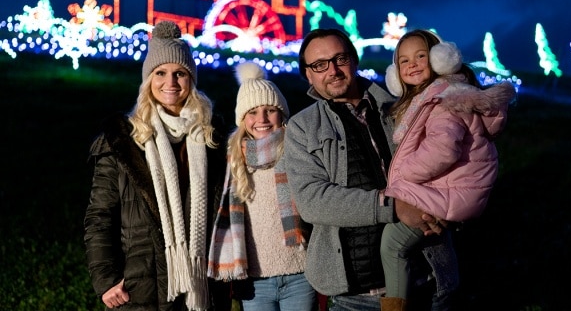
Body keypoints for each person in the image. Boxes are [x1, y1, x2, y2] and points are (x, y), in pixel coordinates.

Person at [283, 28, 452, 311]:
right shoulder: (302, 128)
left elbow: (447, 159)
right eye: (319, 65)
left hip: (428, 283)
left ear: (355, 59)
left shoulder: (402, 108)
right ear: (308, 75)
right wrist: (393, 207)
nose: (333, 70)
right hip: (357, 297)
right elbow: (313, 201)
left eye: (340, 58)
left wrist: (450, 207)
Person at [83, 20, 231, 311]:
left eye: (180, 73)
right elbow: (99, 216)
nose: (171, 83)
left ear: (192, 79)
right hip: (141, 289)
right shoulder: (123, 142)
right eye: (160, 73)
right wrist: (106, 279)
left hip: (203, 289)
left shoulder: (213, 138)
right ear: (148, 79)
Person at [380, 29, 517, 310]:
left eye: (420, 56)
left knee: (392, 243)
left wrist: (401, 179)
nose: (412, 64)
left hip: (452, 190)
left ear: (439, 59)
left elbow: (443, 150)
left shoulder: (445, 101)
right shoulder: (430, 98)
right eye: (403, 61)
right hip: (450, 188)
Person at [207, 61, 317, 311]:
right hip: (256, 282)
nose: (262, 119)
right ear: (242, 118)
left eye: (270, 110)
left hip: (300, 273)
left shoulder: (298, 150)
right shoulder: (233, 160)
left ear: (282, 113)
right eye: (253, 112)